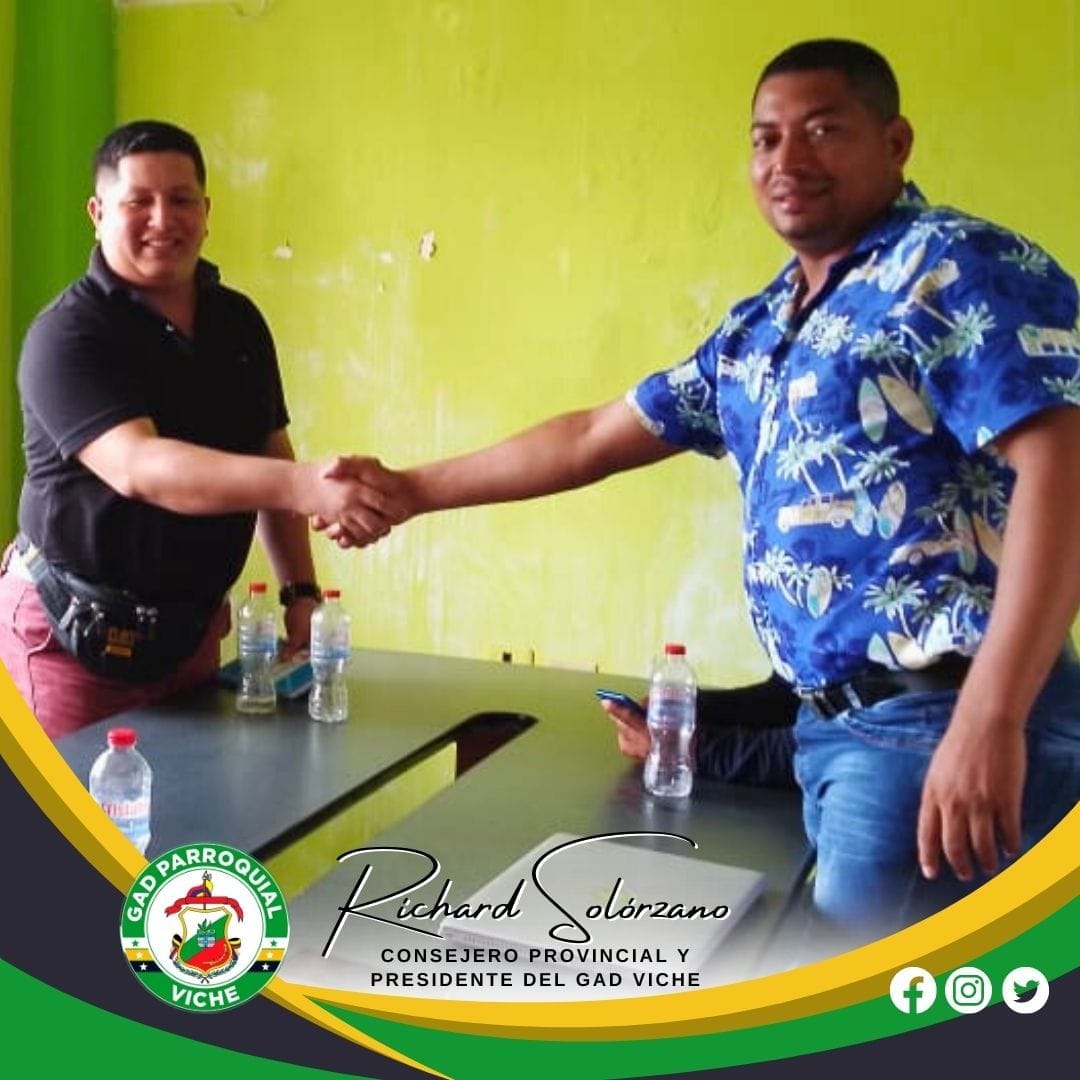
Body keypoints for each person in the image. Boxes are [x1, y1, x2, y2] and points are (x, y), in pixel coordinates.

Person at [320, 39, 1080, 940]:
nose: (786, 160)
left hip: (945, 722)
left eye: (822, 130)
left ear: (895, 141)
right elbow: (594, 436)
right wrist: (409, 490)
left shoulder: (955, 264)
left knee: (873, 1002)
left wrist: (990, 720)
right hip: (844, 732)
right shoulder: (762, 328)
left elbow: (1065, 467)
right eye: (765, 139)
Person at [0, 120, 395, 739]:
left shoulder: (237, 321)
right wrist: (308, 485)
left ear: (206, 213)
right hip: (70, 638)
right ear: (98, 214)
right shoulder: (67, 335)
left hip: (191, 633)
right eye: (139, 201)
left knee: (186, 798)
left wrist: (300, 591)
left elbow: (269, 447)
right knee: (71, 804)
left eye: (181, 199)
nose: (163, 219)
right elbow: (141, 468)